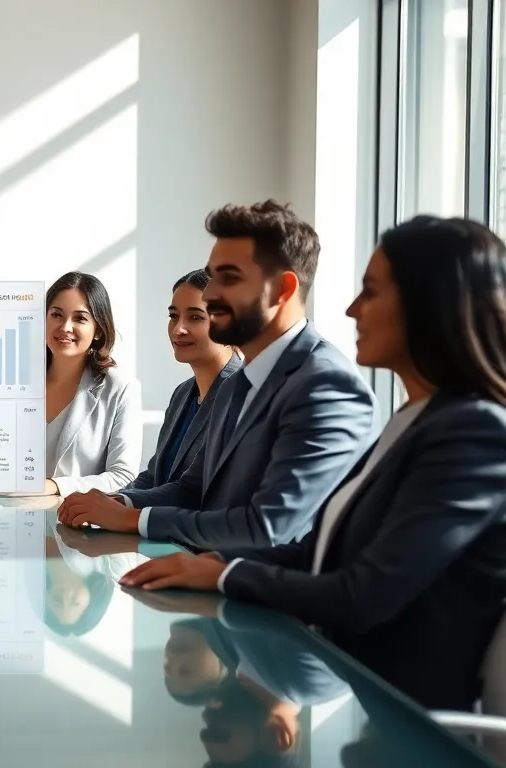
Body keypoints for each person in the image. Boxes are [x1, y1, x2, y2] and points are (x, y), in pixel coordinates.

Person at [120, 215, 506, 712]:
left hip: (409, 720)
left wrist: (222, 575)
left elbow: (362, 595)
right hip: (360, 694)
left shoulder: (472, 432)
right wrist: (215, 563)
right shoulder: (416, 416)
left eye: (370, 292)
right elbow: (324, 550)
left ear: (431, 305)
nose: (350, 309)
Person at [58, 200, 376, 550]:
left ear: (283, 290)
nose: (210, 294)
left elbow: (270, 527)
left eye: (229, 278)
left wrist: (133, 518)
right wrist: (119, 503)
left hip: (269, 596)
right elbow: (193, 489)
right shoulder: (239, 384)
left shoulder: (327, 385)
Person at [123, 269, 241, 491]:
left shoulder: (243, 394)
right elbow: (154, 475)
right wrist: (111, 499)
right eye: (173, 316)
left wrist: (120, 507)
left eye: (195, 317)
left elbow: (198, 494)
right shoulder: (182, 393)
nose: (178, 329)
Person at [35, 271, 142, 496]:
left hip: (77, 526)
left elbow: (122, 475)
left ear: (98, 330)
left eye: (80, 318)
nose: (65, 327)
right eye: (56, 314)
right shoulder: (16, 382)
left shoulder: (120, 389)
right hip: (10, 521)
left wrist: (55, 486)